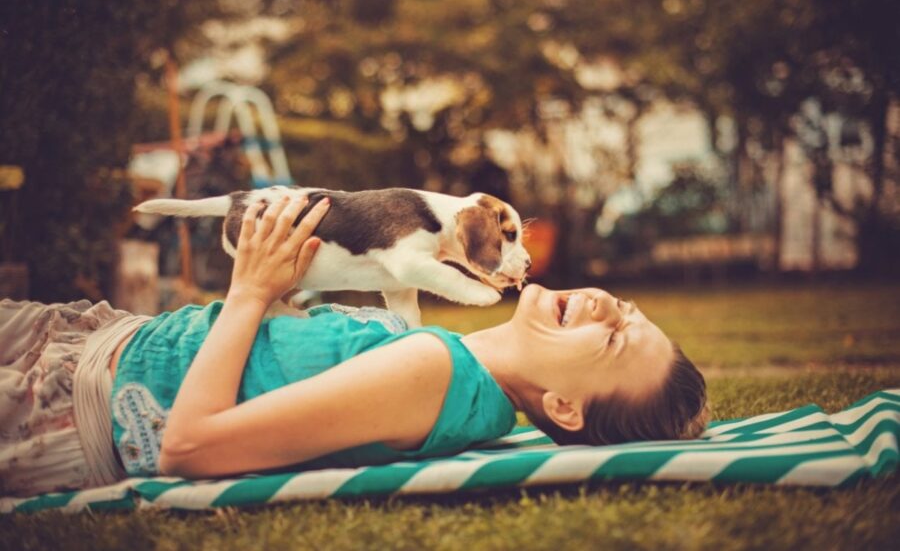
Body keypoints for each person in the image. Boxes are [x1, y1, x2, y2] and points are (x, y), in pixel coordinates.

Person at [0, 196, 708, 497]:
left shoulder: (434, 371)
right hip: (96, 344)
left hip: (70, 401)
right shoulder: (461, 380)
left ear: (564, 407)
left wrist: (249, 292)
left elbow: (190, 445)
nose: (607, 305)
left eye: (614, 336)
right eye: (630, 310)